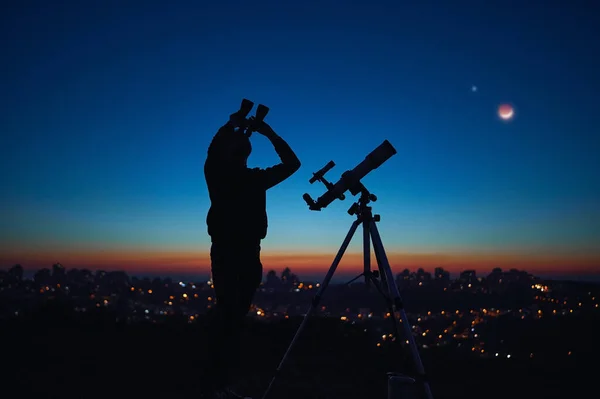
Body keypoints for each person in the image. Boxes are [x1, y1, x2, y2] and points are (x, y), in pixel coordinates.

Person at [201, 107, 301, 398]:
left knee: (229, 318)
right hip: (244, 254)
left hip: (228, 253)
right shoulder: (254, 178)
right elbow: (292, 163)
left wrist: (230, 126)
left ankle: (218, 381)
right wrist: (268, 133)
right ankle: (217, 382)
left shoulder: (216, 174)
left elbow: (212, 150)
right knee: (231, 319)